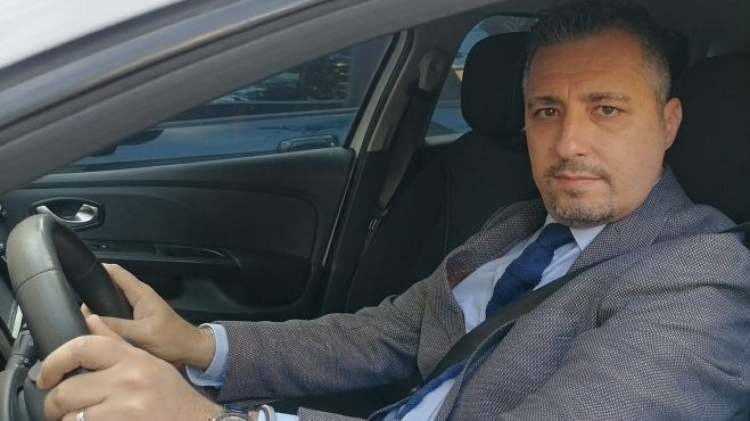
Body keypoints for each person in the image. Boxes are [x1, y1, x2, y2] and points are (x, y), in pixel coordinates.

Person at [37, 1, 750, 420]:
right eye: (546, 110)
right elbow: (378, 337)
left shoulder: (703, 279)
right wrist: (194, 345)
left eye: (607, 109)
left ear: (668, 123)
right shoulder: (513, 228)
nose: (568, 143)